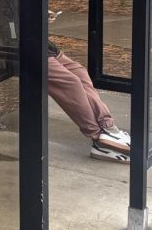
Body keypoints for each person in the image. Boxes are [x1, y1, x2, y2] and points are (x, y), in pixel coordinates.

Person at [48, 10, 131, 162]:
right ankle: (98, 136)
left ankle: (108, 127)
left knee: (80, 73)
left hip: (45, 46)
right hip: (22, 46)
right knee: (71, 82)